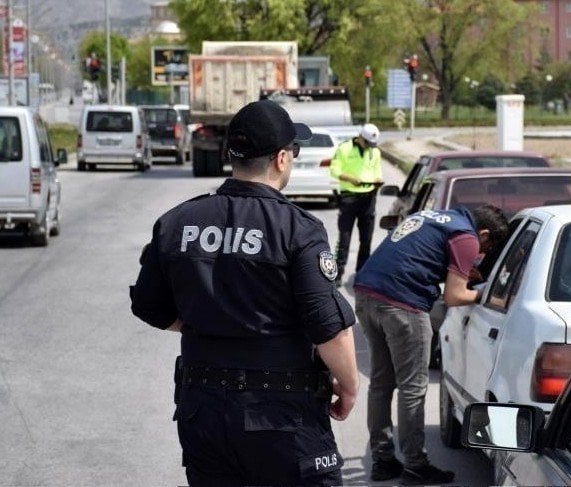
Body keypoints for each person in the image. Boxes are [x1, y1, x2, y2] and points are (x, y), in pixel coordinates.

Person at [129, 99, 359, 487]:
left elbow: (148, 304)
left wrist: (205, 324)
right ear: (282, 159)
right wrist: (349, 387)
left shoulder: (176, 222)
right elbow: (328, 327)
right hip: (282, 417)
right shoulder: (298, 229)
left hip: (202, 411)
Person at [353, 204, 509, 484]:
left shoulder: (434, 217)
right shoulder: (466, 236)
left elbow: (417, 257)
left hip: (367, 296)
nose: (481, 254)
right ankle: (415, 465)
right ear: (483, 233)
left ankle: (383, 460)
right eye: (486, 246)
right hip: (403, 305)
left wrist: (455, 271)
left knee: (381, 382)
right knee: (412, 387)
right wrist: (485, 295)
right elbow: (454, 296)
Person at [329, 123, 383, 285]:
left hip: (368, 197)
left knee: (366, 239)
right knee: (344, 237)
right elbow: (335, 170)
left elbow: (377, 171)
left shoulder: (375, 151)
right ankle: (338, 274)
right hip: (349, 198)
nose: (369, 147)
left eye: (371, 144)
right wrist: (350, 178)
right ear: (360, 137)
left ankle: (362, 272)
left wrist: (378, 180)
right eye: (367, 143)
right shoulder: (344, 149)